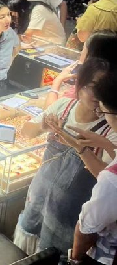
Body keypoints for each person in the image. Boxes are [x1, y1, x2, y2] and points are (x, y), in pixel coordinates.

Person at [14, 58, 117, 258]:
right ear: (80, 84)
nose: (97, 95)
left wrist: (81, 148)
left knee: (52, 254)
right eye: (92, 87)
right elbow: (26, 132)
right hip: (39, 195)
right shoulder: (63, 106)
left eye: (103, 89)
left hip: (68, 212)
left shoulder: (109, 129)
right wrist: (43, 125)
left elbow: (105, 177)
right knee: (23, 251)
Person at [70, 69, 117, 265]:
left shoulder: (111, 180)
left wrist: (74, 259)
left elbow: (86, 228)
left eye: (103, 111)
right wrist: (106, 144)